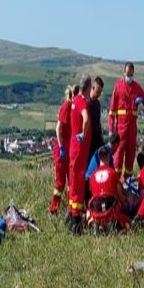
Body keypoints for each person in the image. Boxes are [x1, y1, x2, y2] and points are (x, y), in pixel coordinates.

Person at [108, 62, 144, 179]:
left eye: (131, 75)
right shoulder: (118, 87)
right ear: (124, 73)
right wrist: (111, 130)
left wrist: (141, 100)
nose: (129, 77)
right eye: (128, 74)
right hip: (120, 129)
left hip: (132, 129)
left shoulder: (137, 87)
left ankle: (127, 183)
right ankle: (115, 183)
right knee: (118, 156)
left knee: (130, 156)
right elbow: (111, 112)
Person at [67, 74, 93, 232]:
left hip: (73, 147)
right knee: (77, 182)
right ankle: (76, 219)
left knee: (73, 180)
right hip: (79, 148)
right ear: (88, 88)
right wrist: (84, 132)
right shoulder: (82, 102)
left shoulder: (74, 100)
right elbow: (85, 118)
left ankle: (71, 214)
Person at [86, 157, 130, 231]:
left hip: (96, 211)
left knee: (88, 210)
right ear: (108, 159)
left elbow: (93, 195)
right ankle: (114, 224)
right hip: (111, 211)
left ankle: (94, 222)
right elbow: (120, 197)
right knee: (128, 221)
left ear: (99, 159)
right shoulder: (113, 172)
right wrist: (126, 204)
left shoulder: (92, 175)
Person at [49, 85, 75, 215]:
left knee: (71, 181)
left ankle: (71, 209)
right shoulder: (66, 107)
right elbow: (58, 128)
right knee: (60, 183)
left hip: (69, 146)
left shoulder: (75, 107)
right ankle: (54, 209)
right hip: (63, 146)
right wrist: (60, 147)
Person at [88, 76, 105, 156]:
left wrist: (101, 136)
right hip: (89, 137)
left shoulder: (97, 103)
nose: (99, 94)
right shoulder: (87, 103)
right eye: (98, 92)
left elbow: (98, 121)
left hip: (97, 137)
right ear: (92, 88)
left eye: (100, 92)